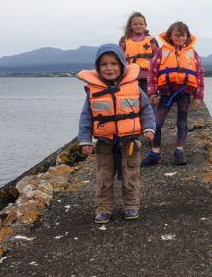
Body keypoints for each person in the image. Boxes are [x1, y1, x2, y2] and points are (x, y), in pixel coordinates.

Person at [77, 44, 155, 224]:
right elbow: (86, 117)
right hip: (104, 143)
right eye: (104, 64)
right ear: (97, 68)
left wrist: (149, 128)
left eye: (113, 63)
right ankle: (104, 208)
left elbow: (146, 110)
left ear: (122, 65)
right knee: (104, 177)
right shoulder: (93, 91)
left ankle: (131, 205)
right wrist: (85, 140)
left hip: (129, 143)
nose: (109, 68)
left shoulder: (134, 87)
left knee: (131, 176)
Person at [141, 21, 205, 166]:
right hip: (166, 93)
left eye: (183, 36)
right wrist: (152, 93)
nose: (180, 39)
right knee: (156, 123)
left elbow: (199, 74)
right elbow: (153, 73)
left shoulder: (192, 53)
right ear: (170, 36)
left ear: (187, 36)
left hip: (184, 93)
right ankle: (155, 153)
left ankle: (179, 152)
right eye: (177, 36)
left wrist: (198, 96)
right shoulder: (161, 52)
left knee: (182, 122)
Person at [119, 12, 159, 92]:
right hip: (129, 77)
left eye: (141, 24)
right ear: (131, 26)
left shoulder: (151, 41)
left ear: (145, 25)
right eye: (135, 24)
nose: (138, 26)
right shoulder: (124, 41)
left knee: (147, 100)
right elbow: (119, 59)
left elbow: (157, 59)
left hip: (147, 77)